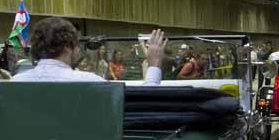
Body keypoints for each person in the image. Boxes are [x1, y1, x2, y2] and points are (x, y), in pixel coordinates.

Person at [13, 17, 165, 83]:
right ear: (67, 48)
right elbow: (141, 108)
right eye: (77, 45)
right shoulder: (90, 82)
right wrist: (154, 64)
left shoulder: (16, 82)